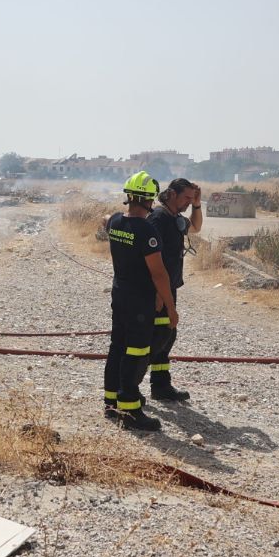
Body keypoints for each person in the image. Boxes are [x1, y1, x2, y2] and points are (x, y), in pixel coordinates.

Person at [103, 171, 178, 431]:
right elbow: (158, 273)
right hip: (139, 302)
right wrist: (170, 307)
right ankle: (130, 408)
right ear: (148, 200)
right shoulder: (146, 229)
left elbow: (106, 223)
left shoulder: (114, 221)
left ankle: (111, 401)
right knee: (136, 352)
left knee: (117, 347)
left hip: (119, 294)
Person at [145, 178, 202, 400]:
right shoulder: (158, 218)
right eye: (186, 198)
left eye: (191, 198)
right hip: (159, 290)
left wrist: (197, 204)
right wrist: (160, 294)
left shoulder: (176, 218)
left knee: (167, 336)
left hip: (170, 287)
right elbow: (153, 260)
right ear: (171, 194)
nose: (188, 202)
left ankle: (160, 385)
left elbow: (196, 227)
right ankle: (129, 385)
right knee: (158, 336)